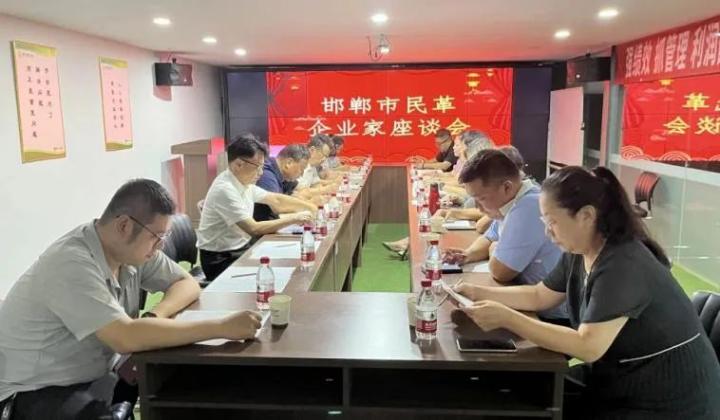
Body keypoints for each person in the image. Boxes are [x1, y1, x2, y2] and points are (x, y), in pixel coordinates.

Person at [454, 166, 720, 418]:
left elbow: (588, 346)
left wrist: (508, 318)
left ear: (586, 216)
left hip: (665, 399)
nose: (548, 232)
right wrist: (476, 292)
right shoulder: (580, 251)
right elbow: (539, 295)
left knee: (531, 401)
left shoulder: (622, 264)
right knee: (520, 391)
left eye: (552, 222)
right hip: (618, 376)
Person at [0, 179, 263, 419]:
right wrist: (221, 327)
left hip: (98, 370)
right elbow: (124, 337)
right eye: (156, 237)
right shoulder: (71, 263)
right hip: (37, 389)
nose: (160, 246)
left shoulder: (129, 252)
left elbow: (187, 284)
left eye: (163, 238)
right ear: (124, 226)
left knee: (189, 385)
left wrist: (154, 316)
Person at [444, 149, 567, 321]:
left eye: (481, 199)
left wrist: (494, 248)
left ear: (507, 187)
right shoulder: (511, 201)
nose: (478, 207)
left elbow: (501, 271)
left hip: (550, 316)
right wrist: (468, 254)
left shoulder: (528, 207)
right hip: (527, 299)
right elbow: (489, 237)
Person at [197, 134, 315, 281]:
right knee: (277, 274)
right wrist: (294, 218)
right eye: (257, 167)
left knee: (285, 261)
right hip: (221, 259)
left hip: (241, 248)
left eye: (262, 166)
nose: (261, 172)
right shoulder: (225, 189)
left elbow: (276, 200)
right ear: (239, 164)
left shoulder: (244, 183)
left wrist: (309, 207)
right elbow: (253, 228)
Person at [254, 144, 317, 222]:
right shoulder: (267, 174)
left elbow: (301, 189)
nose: (302, 174)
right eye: (301, 169)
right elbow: (277, 203)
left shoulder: (283, 175)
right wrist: (309, 207)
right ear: (289, 163)